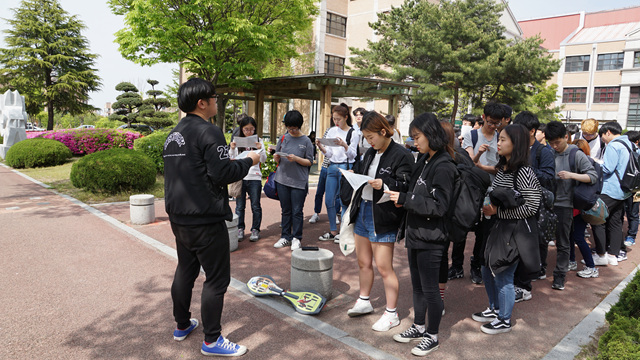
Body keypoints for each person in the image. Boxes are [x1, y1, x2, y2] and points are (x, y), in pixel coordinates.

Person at [163, 78, 260, 357]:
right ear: (202, 103)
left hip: (179, 216)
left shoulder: (174, 134)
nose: (216, 101)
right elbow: (223, 174)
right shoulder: (209, 132)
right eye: (213, 97)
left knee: (186, 269)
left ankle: (182, 325)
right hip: (205, 216)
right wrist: (250, 160)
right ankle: (212, 340)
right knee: (216, 280)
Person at [387, 113, 459, 356]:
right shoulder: (426, 159)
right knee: (417, 286)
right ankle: (418, 327)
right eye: (413, 137)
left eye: (417, 137)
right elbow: (413, 191)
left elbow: (440, 205)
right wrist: (399, 196)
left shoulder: (444, 165)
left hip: (432, 236)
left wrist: (407, 199)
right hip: (416, 231)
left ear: (431, 135)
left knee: (430, 289)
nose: (414, 141)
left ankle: (433, 335)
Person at [345, 111, 413, 332]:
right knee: (363, 262)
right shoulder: (370, 153)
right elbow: (363, 175)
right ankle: (364, 300)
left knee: (384, 267)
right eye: (365, 137)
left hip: (383, 214)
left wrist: (383, 183)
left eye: (371, 137)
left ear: (383, 131)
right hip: (363, 209)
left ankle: (391, 313)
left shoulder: (401, 154)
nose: (368, 142)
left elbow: (404, 185)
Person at [472, 124, 541, 334]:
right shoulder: (504, 168)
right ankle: (495, 309)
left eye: (502, 140)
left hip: (513, 231)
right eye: (498, 139)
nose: (498, 143)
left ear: (516, 144)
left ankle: (504, 319)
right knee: (486, 267)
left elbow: (532, 205)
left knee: (503, 274)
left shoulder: (524, 171)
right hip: (497, 228)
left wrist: (498, 213)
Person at [544, 121, 598, 290]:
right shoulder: (548, 153)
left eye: (557, 142)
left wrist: (571, 175)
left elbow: (593, 176)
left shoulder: (576, 154)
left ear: (566, 137)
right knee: (543, 239)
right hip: (548, 203)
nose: (554, 146)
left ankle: (559, 276)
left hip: (565, 205)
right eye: (551, 143)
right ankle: (539, 269)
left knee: (563, 242)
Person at [511, 111, 555, 300]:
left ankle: (524, 287)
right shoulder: (515, 148)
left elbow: (549, 179)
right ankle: (515, 284)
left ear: (532, 131)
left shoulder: (542, 151)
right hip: (514, 205)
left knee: (527, 247)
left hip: (533, 207)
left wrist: (526, 169)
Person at [461, 102, 503, 284]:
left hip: (492, 190)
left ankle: (477, 265)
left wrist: (483, 166)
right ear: (483, 117)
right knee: (463, 226)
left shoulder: (501, 137)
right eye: (491, 122)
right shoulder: (471, 135)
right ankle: (456, 265)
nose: (493, 126)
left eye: (497, 123)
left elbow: (502, 168)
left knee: (484, 232)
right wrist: (478, 155)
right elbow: (470, 163)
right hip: (472, 189)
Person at [316, 103, 359, 242]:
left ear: (346, 117)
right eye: (334, 119)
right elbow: (329, 153)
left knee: (345, 200)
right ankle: (333, 231)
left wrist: (344, 145)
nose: (336, 122)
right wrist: (321, 147)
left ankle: (344, 232)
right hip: (332, 167)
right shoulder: (332, 131)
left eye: (339, 119)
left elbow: (353, 155)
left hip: (346, 168)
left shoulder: (353, 132)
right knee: (329, 200)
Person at [592, 121, 633, 265]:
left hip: (610, 190)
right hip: (625, 190)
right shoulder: (630, 144)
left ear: (608, 132)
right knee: (616, 222)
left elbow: (607, 169)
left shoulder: (613, 145)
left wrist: (595, 162)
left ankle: (601, 255)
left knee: (596, 218)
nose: (602, 139)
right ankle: (613, 256)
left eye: (602, 136)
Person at [272, 110, 315, 250]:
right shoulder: (283, 138)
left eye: (294, 128)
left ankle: (297, 238)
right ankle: (285, 236)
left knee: (297, 211)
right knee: (285, 210)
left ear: (300, 126)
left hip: (298, 182)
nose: (291, 130)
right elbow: (276, 155)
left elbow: (309, 161)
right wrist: (276, 157)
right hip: (282, 179)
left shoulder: (306, 141)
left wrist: (296, 159)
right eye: (289, 127)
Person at [229, 116, 267, 242]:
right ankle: (240, 228)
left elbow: (263, 160)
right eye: (246, 129)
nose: (249, 132)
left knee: (255, 205)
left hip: (254, 177)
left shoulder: (259, 140)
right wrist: (232, 148)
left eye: (251, 129)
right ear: (242, 129)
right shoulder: (237, 140)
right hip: (241, 176)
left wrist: (259, 149)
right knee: (240, 206)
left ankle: (255, 229)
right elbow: (233, 159)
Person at [571, 139, 600, 279]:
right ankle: (571, 261)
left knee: (577, 236)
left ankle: (591, 267)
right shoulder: (590, 162)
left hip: (580, 206)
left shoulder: (587, 164)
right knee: (571, 235)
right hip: (578, 205)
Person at [309, 126, 338, 225]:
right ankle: (316, 212)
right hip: (326, 165)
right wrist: (320, 145)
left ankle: (335, 214)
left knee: (336, 194)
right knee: (320, 191)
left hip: (338, 166)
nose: (337, 121)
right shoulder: (329, 130)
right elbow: (323, 148)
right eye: (335, 118)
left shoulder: (347, 132)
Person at [624, 131, 640, 247]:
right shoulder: (627, 151)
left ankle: (632, 235)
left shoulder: (636, 153)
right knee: (628, 211)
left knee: (633, 212)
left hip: (637, 189)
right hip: (628, 186)